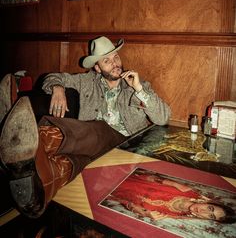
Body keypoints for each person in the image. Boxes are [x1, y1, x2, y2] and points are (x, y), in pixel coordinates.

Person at [0, 36, 170, 219]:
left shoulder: (137, 86)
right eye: (107, 61)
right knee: (74, 161)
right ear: (97, 67)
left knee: (99, 129)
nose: (115, 64)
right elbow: (52, 77)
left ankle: (30, 143)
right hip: (92, 148)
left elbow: (164, 117)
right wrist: (57, 87)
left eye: (116, 58)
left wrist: (139, 90)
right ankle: (37, 196)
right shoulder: (87, 81)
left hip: (124, 145)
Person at [103, 168, 236, 223]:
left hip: (106, 190)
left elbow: (124, 202)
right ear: (209, 202)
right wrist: (172, 183)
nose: (203, 211)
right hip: (121, 174)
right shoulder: (187, 191)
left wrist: (143, 212)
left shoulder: (174, 216)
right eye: (210, 208)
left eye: (210, 216)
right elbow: (146, 177)